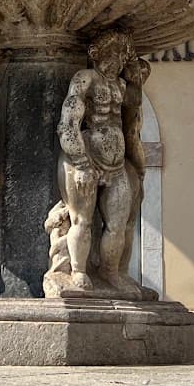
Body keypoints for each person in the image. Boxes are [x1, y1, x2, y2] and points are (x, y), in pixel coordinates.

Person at [53, 31, 150, 298]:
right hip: (86, 159)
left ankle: (111, 273)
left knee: (118, 224)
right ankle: (77, 271)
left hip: (116, 165)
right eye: (111, 54)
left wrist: (134, 67)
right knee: (81, 220)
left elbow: (135, 103)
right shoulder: (85, 78)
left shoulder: (121, 86)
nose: (116, 61)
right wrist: (81, 162)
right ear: (97, 55)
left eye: (120, 56)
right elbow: (68, 122)